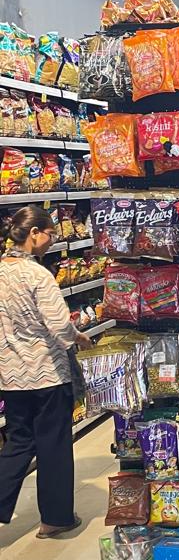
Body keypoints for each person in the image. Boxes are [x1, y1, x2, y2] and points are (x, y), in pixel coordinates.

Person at [0, 207, 93, 536]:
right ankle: (55, 519)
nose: (50, 240)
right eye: (49, 234)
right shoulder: (38, 275)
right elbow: (57, 324)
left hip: (10, 376)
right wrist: (77, 337)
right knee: (53, 444)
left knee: (18, 443)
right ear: (34, 233)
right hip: (47, 373)